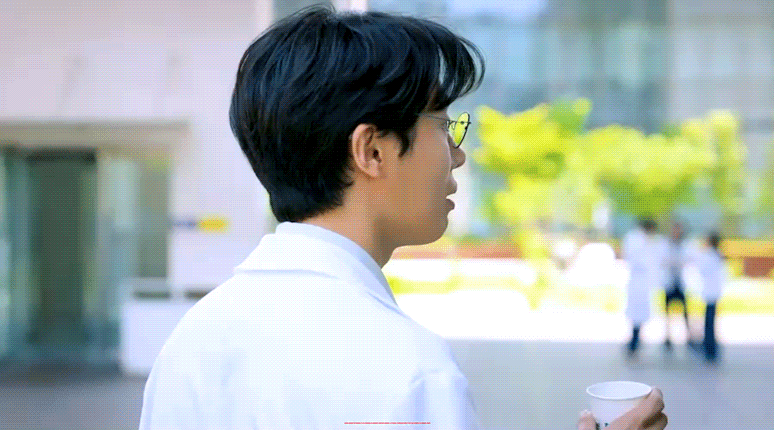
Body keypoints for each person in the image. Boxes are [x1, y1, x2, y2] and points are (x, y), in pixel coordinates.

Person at [139, 6, 666, 430]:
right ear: (371, 151)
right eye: (443, 125)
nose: (458, 155)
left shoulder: (191, 342)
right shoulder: (408, 368)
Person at [623, 218, 661, 357]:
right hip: (638, 283)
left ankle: (635, 343)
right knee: (636, 316)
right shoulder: (638, 240)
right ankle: (633, 344)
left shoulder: (639, 240)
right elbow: (641, 261)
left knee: (638, 316)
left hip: (641, 284)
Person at [662, 220, 694, 350]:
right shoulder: (667, 244)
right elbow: (663, 260)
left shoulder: (684, 244)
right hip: (670, 282)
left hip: (680, 283)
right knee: (667, 313)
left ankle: (689, 337)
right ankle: (668, 338)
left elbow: (688, 259)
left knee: (685, 311)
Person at [697, 232, 725, 363]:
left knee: (709, 324)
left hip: (710, 294)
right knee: (710, 323)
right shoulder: (717, 255)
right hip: (713, 293)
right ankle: (710, 349)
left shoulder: (709, 256)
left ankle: (710, 350)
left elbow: (702, 271)